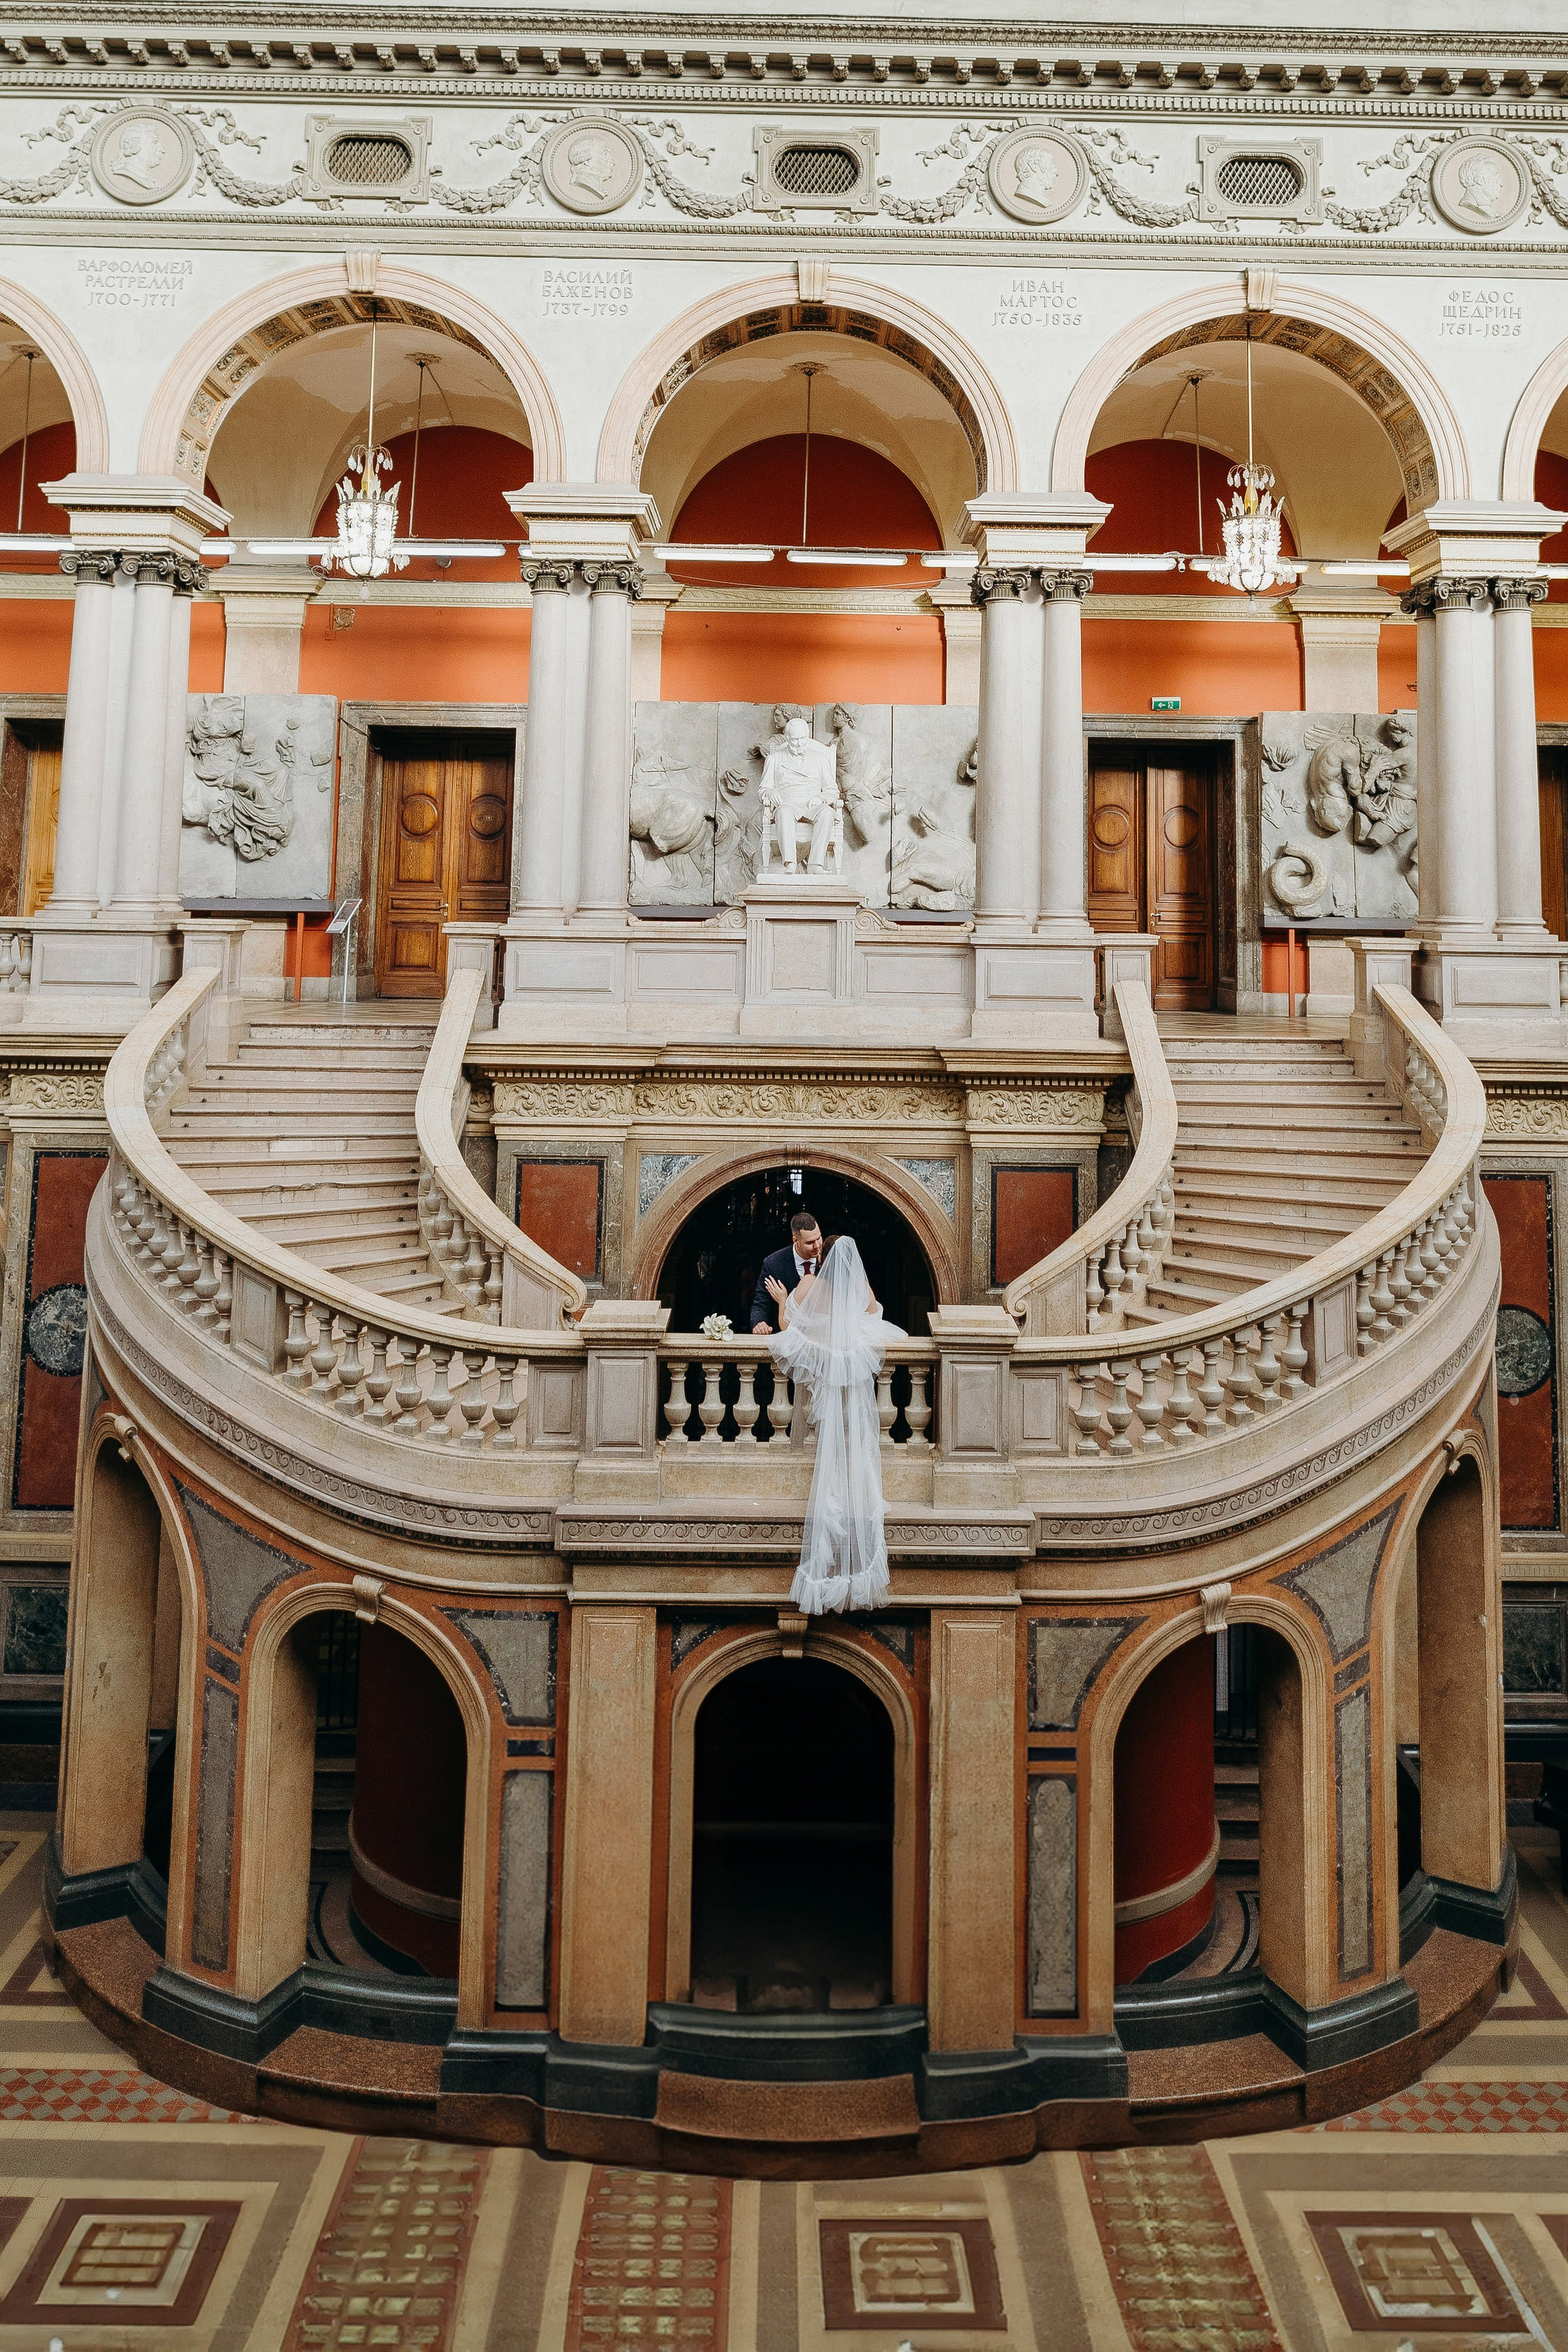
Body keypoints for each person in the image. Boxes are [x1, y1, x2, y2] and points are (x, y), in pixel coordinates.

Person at [766, 1235, 903, 1615]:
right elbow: (875, 1314)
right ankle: (858, 1516)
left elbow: (789, 1327)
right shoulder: (860, 1285)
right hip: (853, 1383)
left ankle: (829, 1528)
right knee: (855, 1444)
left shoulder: (813, 1284)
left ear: (823, 1255)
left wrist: (782, 1304)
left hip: (827, 1382)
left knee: (830, 1451)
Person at [750, 1211, 823, 1334]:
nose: (817, 1245)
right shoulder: (774, 1264)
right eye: (810, 1243)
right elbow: (761, 1303)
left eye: (819, 1238)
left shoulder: (829, 1258)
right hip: (786, 1340)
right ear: (795, 1240)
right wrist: (759, 1322)